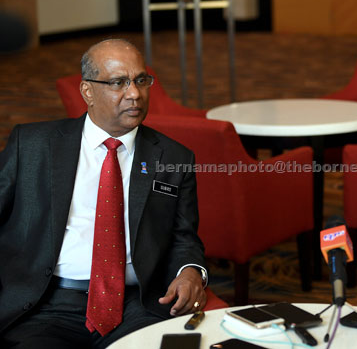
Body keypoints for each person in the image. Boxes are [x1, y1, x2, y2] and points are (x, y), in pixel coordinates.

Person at [0, 39, 208, 349]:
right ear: (87, 91)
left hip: (136, 304)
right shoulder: (32, 145)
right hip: (46, 304)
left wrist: (191, 271)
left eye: (141, 80)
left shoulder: (173, 156)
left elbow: (183, 237)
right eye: (118, 83)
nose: (134, 94)